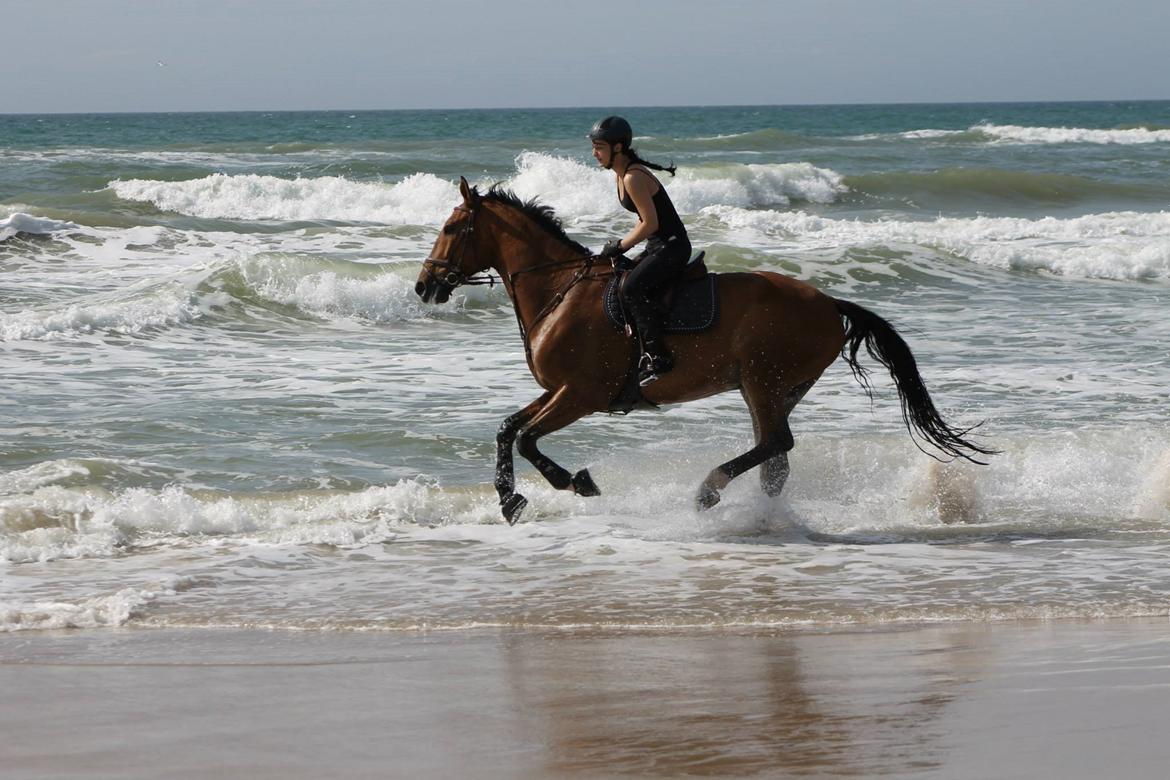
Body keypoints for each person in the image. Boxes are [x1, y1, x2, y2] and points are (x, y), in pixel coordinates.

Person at [589, 115, 691, 386]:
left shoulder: (633, 177)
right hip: (658, 245)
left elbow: (651, 222)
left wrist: (621, 245)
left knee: (631, 288)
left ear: (618, 148)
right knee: (618, 276)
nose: (594, 153)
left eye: (599, 147)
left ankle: (657, 358)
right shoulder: (621, 176)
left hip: (673, 247)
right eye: (594, 147)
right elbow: (645, 220)